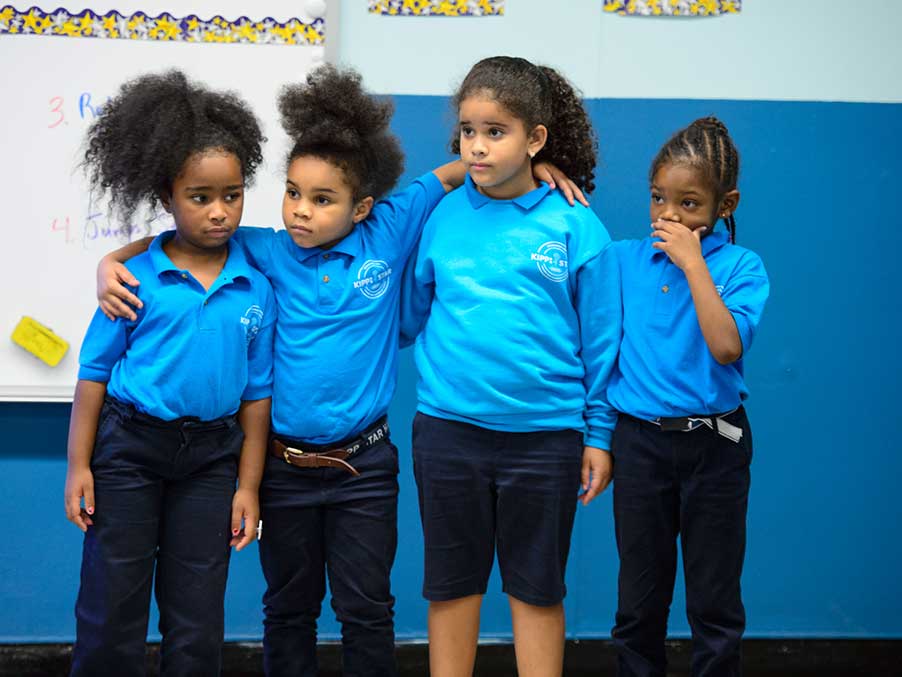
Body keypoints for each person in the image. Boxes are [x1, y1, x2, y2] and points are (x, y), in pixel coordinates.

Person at [94, 64, 583, 677]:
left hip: (365, 470)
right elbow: (192, 235)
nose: (300, 210)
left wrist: (538, 170)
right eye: (293, 192)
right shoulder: (266, 248)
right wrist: (114, 257)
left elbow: (459, 169)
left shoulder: (391, 228)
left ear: (363, 208)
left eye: (322, 199)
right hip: (284, 467)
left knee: (366, 608)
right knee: (288, 608)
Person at [400, 56, 621, 677]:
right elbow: (410, 315)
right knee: (450, 585)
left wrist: (598, 434)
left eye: (496, 131)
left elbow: (602, 342)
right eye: (468, 130)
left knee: (537, 589)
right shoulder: (441, 216)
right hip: (447, 433)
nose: (477, 145)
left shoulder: (575, 223)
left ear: (536, 140)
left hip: (546, 438)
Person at [63, 70, 275, 676]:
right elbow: (94, 374)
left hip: (212, 460)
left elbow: (257, 394)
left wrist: (249, 485)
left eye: (231, 195)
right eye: (199, 197)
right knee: (112, 604)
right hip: (129, 449)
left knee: (198, 616)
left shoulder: (256, 283)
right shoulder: (133, 280)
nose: (219, 212)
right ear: (166, 199)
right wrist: (80, 466)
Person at [607, 116, 769, 677]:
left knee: (714, 604)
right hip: (640, 447)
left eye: (689, 204)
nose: (668, 216)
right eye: (658, 199)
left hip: (716, 447)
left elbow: (726, 347)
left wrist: (695, 263)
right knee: (638, 604)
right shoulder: (626, 260)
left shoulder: (741, 267)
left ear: (727, 204)